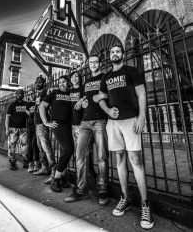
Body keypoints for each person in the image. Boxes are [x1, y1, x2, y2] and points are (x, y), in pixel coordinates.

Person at [98, 44, 154, 229]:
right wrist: (107, 109)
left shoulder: (131, 70)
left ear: (122, 54)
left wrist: (142, 117)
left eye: (117, 51)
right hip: (113, 123)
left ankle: (145, 205)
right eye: (112, 52)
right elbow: (100, 97)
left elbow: (141, 93)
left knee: (135, 159)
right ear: (109, 56)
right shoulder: (106, 77)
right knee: (120, 157)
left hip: (131, 120)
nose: (115, 54)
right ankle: (125, 198)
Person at [65, 55, 109, 206]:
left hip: (100, 120)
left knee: (102, 157)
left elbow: (110, 94)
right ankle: (80, 189)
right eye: (91, 62)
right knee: (80, 155)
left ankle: (103, 190)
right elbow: (84, 97)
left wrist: (103, 96)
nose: (93, 64)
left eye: (96, 62)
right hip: (85, 121)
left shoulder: (105, 77)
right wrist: (80, 101)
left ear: (100, 63)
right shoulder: (87, 82)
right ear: (88, 64)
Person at [39, 75, 74, 192]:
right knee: (68, 150)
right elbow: (42, 106)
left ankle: (63, 177)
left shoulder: (71, 93)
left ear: (68, 83)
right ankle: (56, 178)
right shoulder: (53, 92)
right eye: (60, 82)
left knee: (67, 151)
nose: (62, 84)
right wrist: (45, 122)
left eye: (64, 82)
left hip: (70, 125)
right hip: (58, 124)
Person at [69, 71, 97, 182]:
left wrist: (81, 99)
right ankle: (83, 172)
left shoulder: (82, 88)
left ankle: (90, 171)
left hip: (84, 122)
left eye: (77, 76)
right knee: (79, 151)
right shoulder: (69, 91)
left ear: (80, 78)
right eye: (73, 76)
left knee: (87, 150)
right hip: (73, 124)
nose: (75, 78)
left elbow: (89, 95)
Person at [33, 76, 56, 177]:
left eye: (39, 82)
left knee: (46, 147)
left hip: (43, 123)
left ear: (44, 83)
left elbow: (56, 89)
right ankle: (44, 167)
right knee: (40, 147)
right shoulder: (38, 94)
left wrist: (46, 121)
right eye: (36, 82)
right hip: (38, 123)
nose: (37, 84)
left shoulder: (46, 91)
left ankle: (54, 170)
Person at [5, 89, 29, 170]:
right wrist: (7, 129)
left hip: (24, 129)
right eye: (18, 93)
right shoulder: (12, 105)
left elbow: (30, 115)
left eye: (21, 93)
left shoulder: (26, 104)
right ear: (16, 95)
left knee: (24, 147)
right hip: (13, 129)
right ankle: (12, 163)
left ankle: (26, 161)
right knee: (12, 146)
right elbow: (7, 117)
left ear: (23, 95)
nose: (20, 95)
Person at [26, 95, 40, 173]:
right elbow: (28, 113)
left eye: (32, 94)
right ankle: (30, 164)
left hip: (37, 125)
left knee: (36, 144)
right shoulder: (27, 104)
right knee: (30, 145)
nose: (31, 96)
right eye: (30, 94)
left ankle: (37, 164)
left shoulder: (37, 102)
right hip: (30, 126)